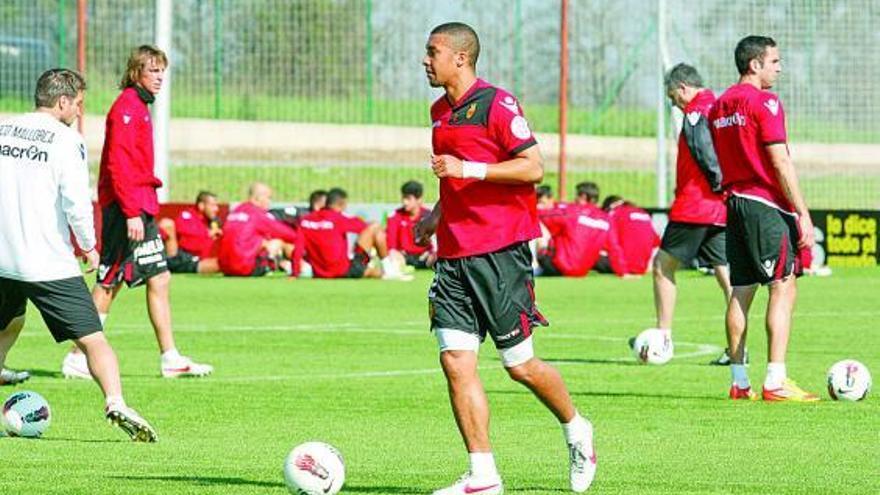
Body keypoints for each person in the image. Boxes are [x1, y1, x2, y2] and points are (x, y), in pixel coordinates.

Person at [416, 22, 595, 495]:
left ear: (461, 57)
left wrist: (468, 169)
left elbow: (533, 166)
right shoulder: (438, 112)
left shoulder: (498, 103)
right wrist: (436, 215)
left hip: (501, 253)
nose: (424, 60)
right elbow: (452, 180)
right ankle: (483, 476)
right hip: (453, 256)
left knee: (519, 365)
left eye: (432, 52)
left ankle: (577, 428)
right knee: (456, 361)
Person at [0, 68, 156, 440]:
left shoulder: (4, 129)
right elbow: (76, 203)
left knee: (8, 323)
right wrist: (88, 246)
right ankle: (116, 402)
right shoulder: (66, 140)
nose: (80, 112)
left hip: (3, 257)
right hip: (46, 261)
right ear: (63, 101)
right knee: (93, 339)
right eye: (79, 104)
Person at [61, 45, 213, 380]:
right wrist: (131, 211)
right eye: (153, 70)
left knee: (159, 276)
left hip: (140, 205)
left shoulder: (139, 107)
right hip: (127, 209)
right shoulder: (127, 107)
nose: (160, 77)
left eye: (162, 71)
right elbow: (118, 164)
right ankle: (76, 356)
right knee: (109, 281)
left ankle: (170, 357)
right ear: (136, 73)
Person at [709, 35, 818, 401]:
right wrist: (802, 212)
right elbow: (779, 160)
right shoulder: (765, 102)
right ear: (754, 65)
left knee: (741, 290)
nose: (779, 67)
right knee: (783, 284)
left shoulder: (719, 105)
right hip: (764, 204)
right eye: (774, 61)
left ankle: (739, 382)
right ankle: (775, 379)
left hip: (734, 203)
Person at [651, 63, 734, 365]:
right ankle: (738, 350)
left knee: (662, 266)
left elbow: (703, 149)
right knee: (727, 277)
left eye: (673, 96)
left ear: (683, 87)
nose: (674, 102)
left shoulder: (697, 111)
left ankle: (662, 339)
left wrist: (716, 182)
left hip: (695, 204)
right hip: (720, 208)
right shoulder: (720, 107)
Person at [297, 188, 404, 279]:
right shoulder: (338, 218)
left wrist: (294, 272)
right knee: (375, 227)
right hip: (342, 271)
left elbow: (298, 248)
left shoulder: (306, 220)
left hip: (320, 273)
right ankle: (389, 269)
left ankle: (383, 269)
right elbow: (364, 227)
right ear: (341, 204)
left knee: (368, 268)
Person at [218, 182, 300, 277]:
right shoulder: (257, 215)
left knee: (259, 239)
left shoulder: (235, 212)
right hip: (244, 267)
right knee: (279, 242)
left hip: (225, 268)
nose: (270, 202)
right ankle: (300, 267)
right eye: (268, 198)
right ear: (258, 198)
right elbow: (288, 234)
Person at [536, 186, 611, 277]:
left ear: (583, 197)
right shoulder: (605, 218)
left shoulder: (572, 211)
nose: (574, 199)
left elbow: (545, 217)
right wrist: (623, 272)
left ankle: (533, 268)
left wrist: (532, 209)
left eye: (576, 196)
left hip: (560, 266)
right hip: (583, 271)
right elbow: (614, 245)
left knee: (535, 223)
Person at [158, 191, 222, 274]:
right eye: (213, 205)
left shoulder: (214, 222)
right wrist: (207, 234)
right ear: (201, 206)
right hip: (184, 258)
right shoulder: (187, 216)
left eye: (216, 206)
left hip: (202, 260)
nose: (216, 209)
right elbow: (186, 239)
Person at [602, 196, 660, 277]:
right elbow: (656, 242)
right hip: (643, 266)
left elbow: (608, 242)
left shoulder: (613, 214)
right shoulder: (643, 213)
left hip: (623, 265)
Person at [386, 180, 437, 269]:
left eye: (408, 198)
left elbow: (436, 243)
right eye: (403, 198)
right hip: (403, 257)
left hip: (424, 257)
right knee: (392, 258)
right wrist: (394, 253)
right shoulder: (395, 216)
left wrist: (433, 254)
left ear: (419, 199)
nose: (405, 202)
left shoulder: (429, 216)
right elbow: (391, 246)